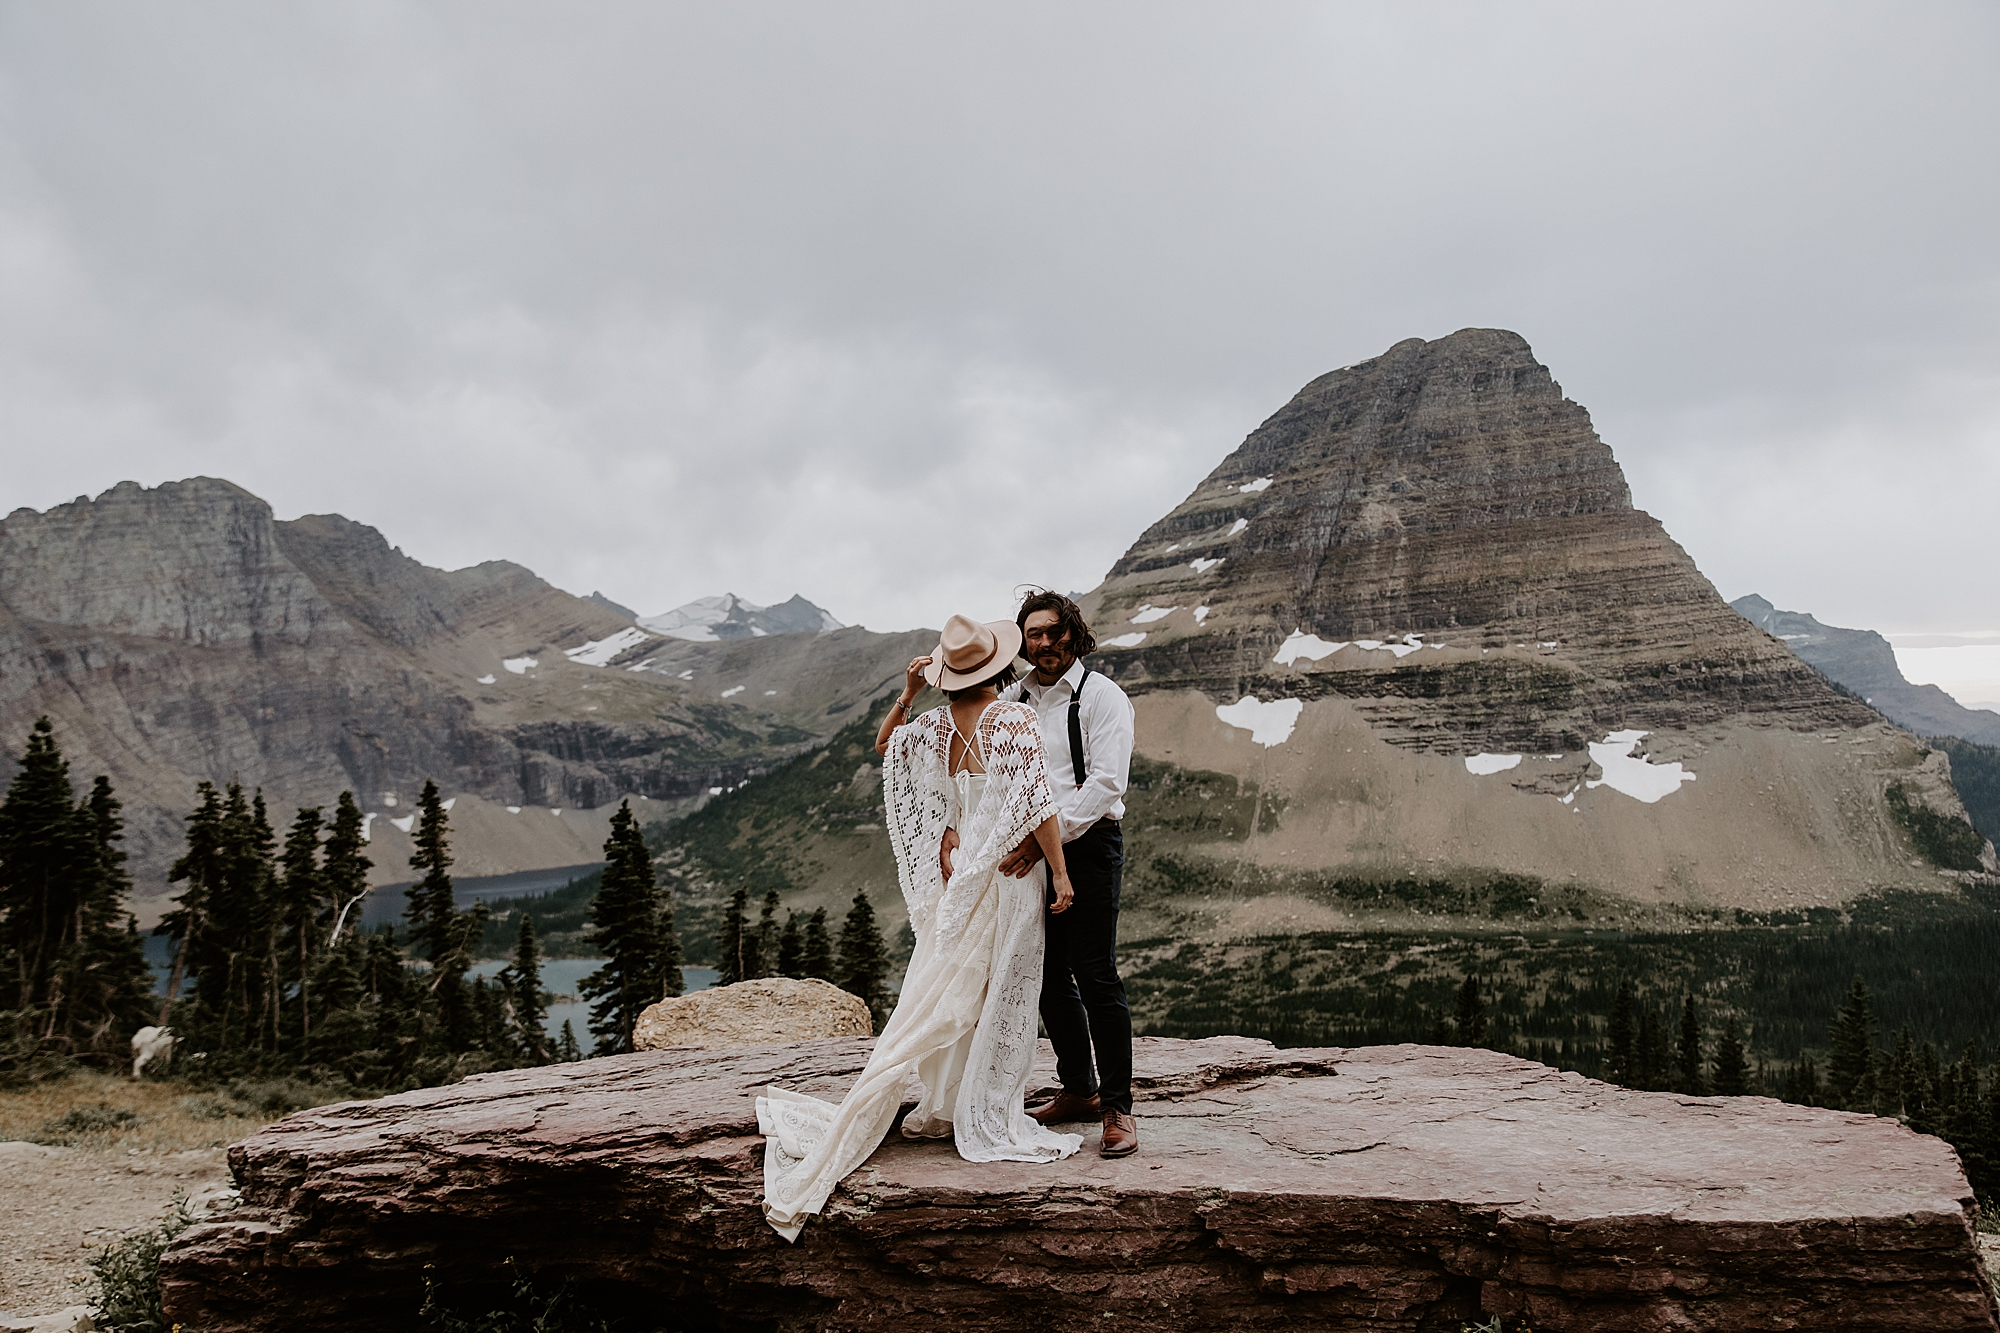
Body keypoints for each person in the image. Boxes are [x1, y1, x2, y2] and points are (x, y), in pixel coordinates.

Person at [755, 613, 1082, 1241]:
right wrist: (1062, 873)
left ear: (944, 676)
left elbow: (885, 745)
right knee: (1001, 988)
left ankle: (945, 1099)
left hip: (961, 868)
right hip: (1010, 872)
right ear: (998, 666)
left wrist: (907, 695)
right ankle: (985, 1107)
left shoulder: (931, 726)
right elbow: (1037, 802)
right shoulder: (1011, 718)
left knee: (952, 979)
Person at [940, 589, 1137, 1157]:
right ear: (1022, 641)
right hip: (1022, 853)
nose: (1045, 642)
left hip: (1088, 844)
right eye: (1034, 634)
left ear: (1073, 633)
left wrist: (1045, 841)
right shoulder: (1011, 699)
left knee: (1095, 973)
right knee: (1043, 972)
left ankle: (1118, 1108)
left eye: (1054, 632)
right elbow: (970, 759)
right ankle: (1079, 1088)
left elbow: (1106, 785)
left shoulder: (1102, 698)